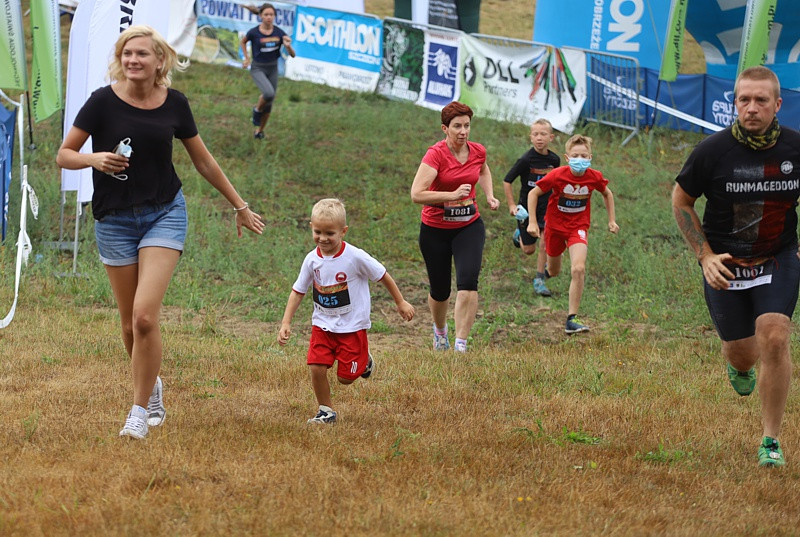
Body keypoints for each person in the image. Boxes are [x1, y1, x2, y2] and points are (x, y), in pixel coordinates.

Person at [56, 25, 265, 440]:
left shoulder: (175, 104)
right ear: (121, 57)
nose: (134, 60)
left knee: (145, 316)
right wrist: (94, 159)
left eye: (143, 54)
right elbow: (64, 154)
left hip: (163, 214)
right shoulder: (101, 102)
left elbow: (203, 162)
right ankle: (152, 384)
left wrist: (239, 205)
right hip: (114, 220)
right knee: (130, 326)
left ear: (160, 61)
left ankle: (138, 410)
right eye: (128, 53)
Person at [672, 66, 800, 468]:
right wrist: (705, 256)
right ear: (735, 103)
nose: (751, 108)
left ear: (777, 105)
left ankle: (770, 441)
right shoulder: (712, 151)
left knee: (775, 337)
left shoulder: (796, 150)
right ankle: (737, 365)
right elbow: (681, 201)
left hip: (778, 256)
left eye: (761, 100)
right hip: (725, 264)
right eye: (744, 99)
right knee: (743, 354)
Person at [278, 199, 415, 424]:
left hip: (351, 327)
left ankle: (364, 361)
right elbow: (298, 291)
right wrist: (286, 322)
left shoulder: (355, 257)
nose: (323, 238)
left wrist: (400, 302)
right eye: (317, 231)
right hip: (322, 325)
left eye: (330, 233)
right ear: (311, 226)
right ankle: (326, 411)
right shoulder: (311, 260)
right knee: (315, 366)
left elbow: (382, 274)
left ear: (343, 231)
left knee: (345, 379)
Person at [410, 101, 500, 352]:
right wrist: (450, 195)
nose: (463, 131)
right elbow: (416, 194)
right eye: (457, 126)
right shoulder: (435, 155)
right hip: (435, 229)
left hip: (468, 225)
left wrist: (489, 195)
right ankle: (440, 332)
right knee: (440, 290)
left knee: (468, 282)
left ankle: (461, 344)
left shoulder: (478, 151)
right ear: (445, 129)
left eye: (467, 126)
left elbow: (482, 171)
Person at [527, 134, 618, 334]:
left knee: (578, 269)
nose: (580, 159)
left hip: (578, 227)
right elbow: (533, 193)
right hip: (554, 229)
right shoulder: (557, 175)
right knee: (555, 270)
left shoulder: (593, 176)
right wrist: (533, 222)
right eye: (576, 155)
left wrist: (611, 220)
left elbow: (607, 193)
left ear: (590, 157)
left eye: (584, 156)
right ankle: (545, 272)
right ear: (567, 158)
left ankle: (571, 319)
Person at [502, 118, 561, 297]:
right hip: (527, 209)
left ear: (551, 137)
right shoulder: (525, 160)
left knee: (544, 243)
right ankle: (519, 234)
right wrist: (512, 205)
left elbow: (555, 182)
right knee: (529, 250)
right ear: (530, 137)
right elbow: (507, 181)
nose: (539, 138)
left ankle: (539, 279)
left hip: (546, 209)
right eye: (535, 134)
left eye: (543, 134)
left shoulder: (554, 160)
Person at [240, 3, 295, 140]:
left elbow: (293, 55)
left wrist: (288, 47)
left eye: (271, 15)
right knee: (268, 93)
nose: (269, 17)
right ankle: (257, 110)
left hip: (273, 68)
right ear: (260, 16)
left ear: (275, 16)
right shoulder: (254, 32)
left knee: (269, 103)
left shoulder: (279, 32)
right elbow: (243, 42)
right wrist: (246, 58)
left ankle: (259, 131)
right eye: (266, 14)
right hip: (258, 67)